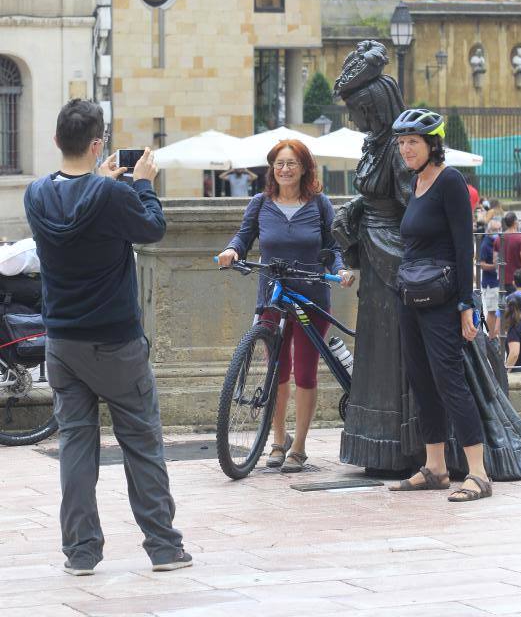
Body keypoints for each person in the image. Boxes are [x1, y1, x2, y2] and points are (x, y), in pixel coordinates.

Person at [24, 99, 191, 576]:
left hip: (62, 342)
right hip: (116, 342)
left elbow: (78, 207)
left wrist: (107, 184)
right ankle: (163, 547)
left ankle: (80, 553)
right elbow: (152, 229)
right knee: (141, 442)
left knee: (76, 446)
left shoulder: (35, 195)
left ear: (57, 141)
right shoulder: (114, 196)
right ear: (98, 145)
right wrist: (142, 185)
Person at [217, 139, 354, 472]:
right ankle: (278, 440)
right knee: (277, 371)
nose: (285, 169)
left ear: (304, 167)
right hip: (272, 296)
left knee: (305, 373)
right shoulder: (260, 203)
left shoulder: (319, 204)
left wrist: (340, 270)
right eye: (279, 163)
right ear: (271, 168)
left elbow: (332, 247)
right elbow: (243, 235)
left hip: (311, 296)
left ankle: (300, 447)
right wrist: (232, 251)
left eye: (292, 163)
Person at [389, 108, 491, 502]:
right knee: (421, 379)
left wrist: (467, 304)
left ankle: (478, 473)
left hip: (442, 300)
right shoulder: (415, 183)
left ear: (433, 143)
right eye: (401, 143)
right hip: (411, 297)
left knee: (449, 380)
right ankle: (436, 467)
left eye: (412, 142)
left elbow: (465, 247)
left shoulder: (450, 182)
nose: (405, 149)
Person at [331, 40, 420, 474]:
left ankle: (399, 445)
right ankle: (377, 446)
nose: (354, 120)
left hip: (393, 262)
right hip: (375, 257)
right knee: (375, 349)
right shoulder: (374, 146)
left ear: (376, 108)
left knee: (393, 353)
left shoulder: (398, 152)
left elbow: (413, 212)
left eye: (358, 112)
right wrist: (355, 211)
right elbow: (374, 198)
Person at [480, 218, 502, 339]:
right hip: (490, 283)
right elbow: (481, 264)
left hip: (497, 281)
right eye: (495, 230)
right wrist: (494, 266)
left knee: (497, 311)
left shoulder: (498, 242)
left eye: (499, 229)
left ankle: (493, 337)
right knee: (492, 312)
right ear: (489, 230)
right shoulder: (485, 244)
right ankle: (490, 339)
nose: (497, 232)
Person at [493, 212, 521, 295]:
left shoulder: (498, 238)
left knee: (504, 306)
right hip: (518, 281)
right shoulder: (520, 238)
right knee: (519, 306)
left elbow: (495, 261)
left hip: (502, 279)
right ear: (515, 222)